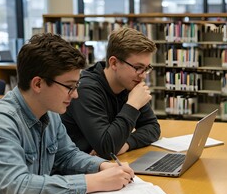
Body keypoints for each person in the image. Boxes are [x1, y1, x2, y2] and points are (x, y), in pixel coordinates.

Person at [0, 33, 135, 194]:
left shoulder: (49, 113)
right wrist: (94, 182)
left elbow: (67, 155)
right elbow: (17, 189)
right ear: (38, 84)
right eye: (69, 86)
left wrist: (102, 166)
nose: (75, 95)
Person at [61, 27, 160, 160]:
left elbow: (152, 127)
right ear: (114, 63)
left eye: (146, 68)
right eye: (138, 68)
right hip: (80, 170)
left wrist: (126, 144)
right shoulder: (85, 90)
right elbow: (107, 148)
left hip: (106, 165)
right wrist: (132, 105)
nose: (143, 76)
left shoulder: (129, 83)